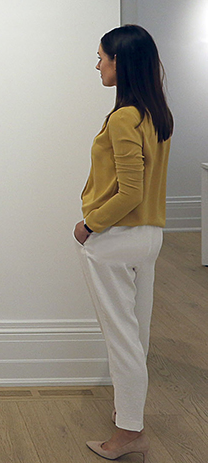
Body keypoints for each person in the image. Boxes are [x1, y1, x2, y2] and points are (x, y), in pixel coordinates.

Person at [74, 24, 173, 462]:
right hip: (149, 237)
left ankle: (128, 433)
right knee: (138, 334)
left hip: (116, 239)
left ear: (121, 62)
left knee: (122, 340)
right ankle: (130, 421)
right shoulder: (156, 114)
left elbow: (129, 191)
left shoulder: (122, 117)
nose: (97, 64)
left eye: (101, 57)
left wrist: (90, 225)